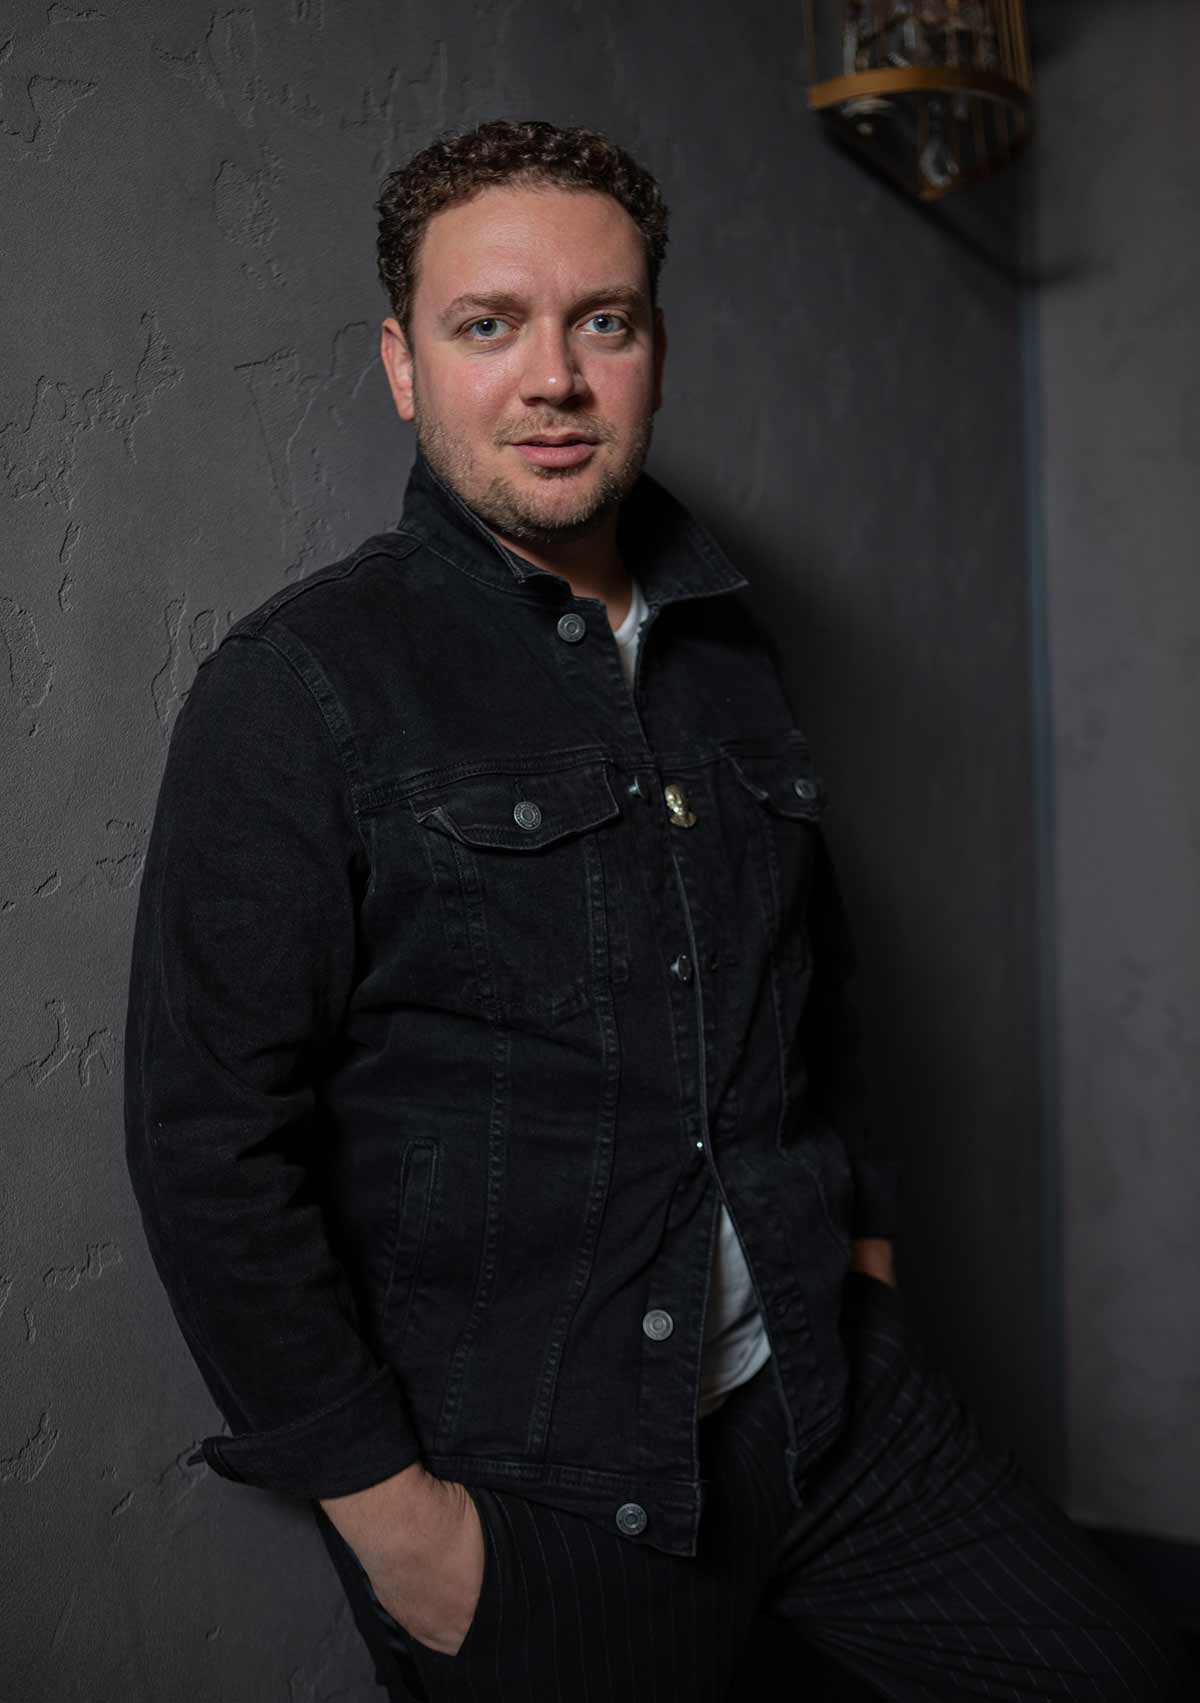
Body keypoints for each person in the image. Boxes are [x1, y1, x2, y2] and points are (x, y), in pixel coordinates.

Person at [123, 118, 1193, 1702]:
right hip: (538, 1500)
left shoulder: (726, 642)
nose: (553, 378)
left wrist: (864, 1269)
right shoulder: (301, 690)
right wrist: (401, 1529)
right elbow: (207, 1141)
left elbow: (817, 983)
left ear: (654, 351)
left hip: (829, 1410)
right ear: (404, 367)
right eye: (488, 325)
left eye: (602, 322)